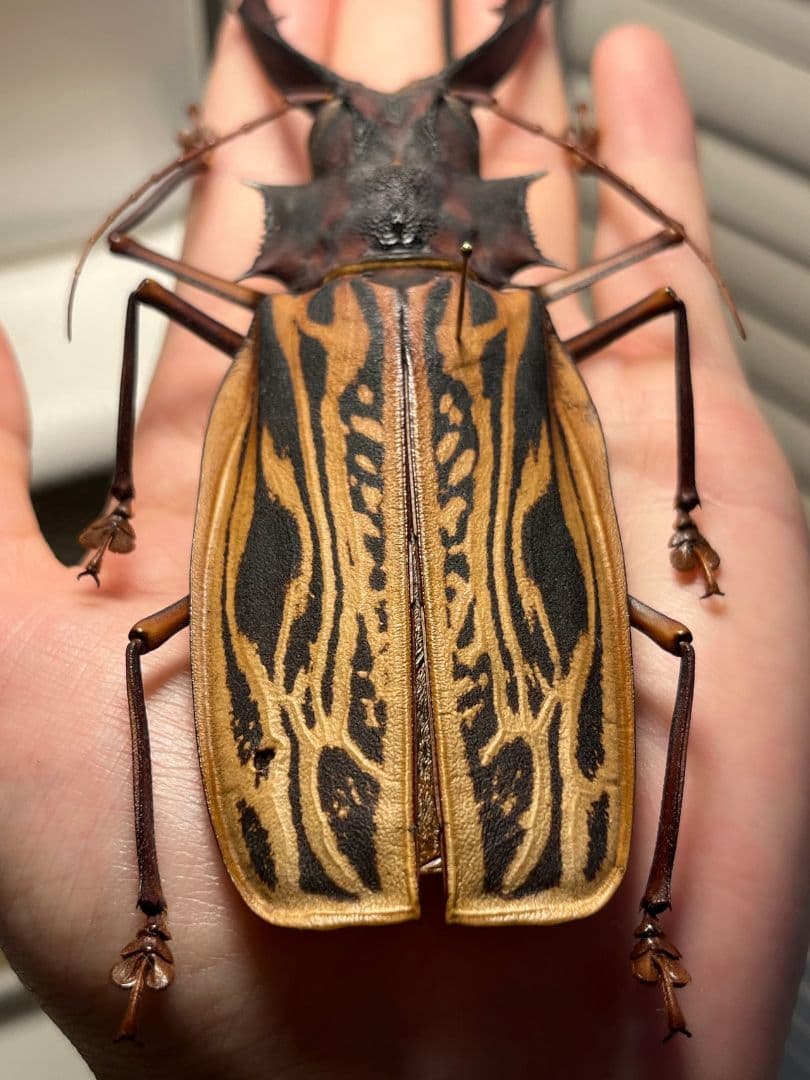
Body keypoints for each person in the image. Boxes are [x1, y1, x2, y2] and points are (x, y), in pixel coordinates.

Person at [1, 5, 807, 1077]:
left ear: (306, 207)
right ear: (484, 202)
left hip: (326, 817)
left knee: (149, 642)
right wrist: (683, 516)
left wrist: (122, 499)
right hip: (521, 818)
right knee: (682, 641)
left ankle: (156, 922)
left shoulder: (274, 330)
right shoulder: (526, 321)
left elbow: (140, 269)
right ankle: (651, 927)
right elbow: (662, 288)